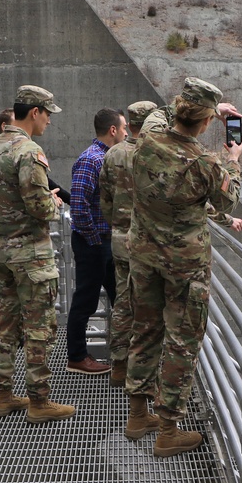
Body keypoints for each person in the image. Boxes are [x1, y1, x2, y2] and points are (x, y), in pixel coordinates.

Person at [125, 78, 242, 456]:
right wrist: (233, 159)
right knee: (182, 341)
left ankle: (137, 416)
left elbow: (158, 118)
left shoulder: (144, 141)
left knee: (145, 329)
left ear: (177, 109)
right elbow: (226, 204)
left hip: (144, 255)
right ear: (208, 122)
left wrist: (203, 105)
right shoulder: (205, 163)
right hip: (184, 265)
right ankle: (168, 430)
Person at [0, 85, 75, 423]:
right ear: (35, 112)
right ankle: (39, 401)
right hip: (30, 256)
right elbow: (39, 207)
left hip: (0, 253)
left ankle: (2, 396)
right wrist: (55, 201)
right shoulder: (28, 150)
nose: (49, 121)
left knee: (5, 322)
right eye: (48, 114)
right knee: (39, 327)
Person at [0, 109, 70, 333]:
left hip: (1, 242)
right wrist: (56, 202)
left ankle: (1, 349)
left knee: (8, 305)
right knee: (33, 313)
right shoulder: (23, 151)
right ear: (5, 127)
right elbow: (40, 203)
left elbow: (46, 183)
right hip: (23, 244)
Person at [98, 100, 158, 392]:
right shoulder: (154, 154)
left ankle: (119, 365)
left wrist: (117, 225)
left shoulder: (113, 153)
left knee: (122, 301)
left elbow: (105, 198)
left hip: (120, 239)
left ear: (130, 124)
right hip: (147, 242)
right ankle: (144, 372)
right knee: (148, 305)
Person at [65, 108, 127, 375]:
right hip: (94, 242)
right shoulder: (91, 160)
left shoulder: (107, 158)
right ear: (112, 130)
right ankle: (77, 357)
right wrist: (94, 240)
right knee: (85, 301)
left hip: (105, 242)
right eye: (124, 128)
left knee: (122, 298)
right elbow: (78, 206)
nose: (126, 133)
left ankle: (123, 357)